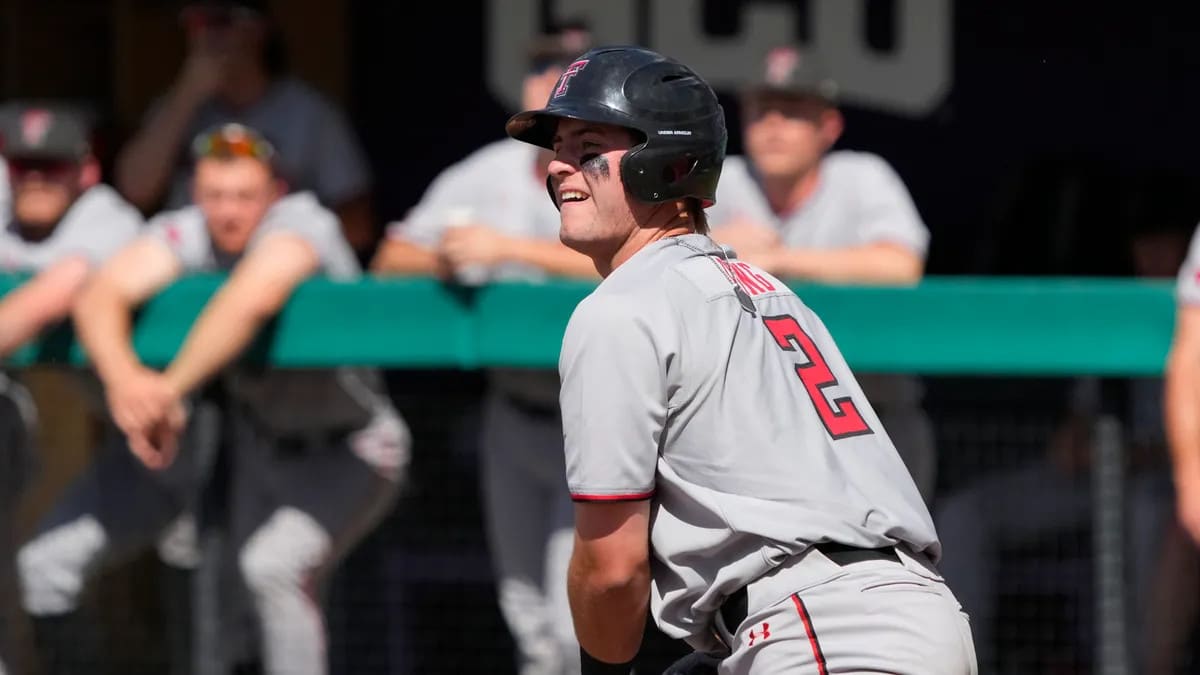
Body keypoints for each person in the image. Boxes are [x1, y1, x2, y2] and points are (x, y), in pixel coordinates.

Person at [503, 45, 976, 674]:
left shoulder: (622, 306)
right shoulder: (768, 289)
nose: (559, 169)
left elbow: (612, 574)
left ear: (667, 160)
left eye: (588, 148)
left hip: (822, 631)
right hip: (905, 619)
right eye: (557, 148)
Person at [18, 123, 410, 675]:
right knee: (230, 615)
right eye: (215, 196)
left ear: (274, 193)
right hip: (258, 449)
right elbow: (102, 292)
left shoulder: (301, 221)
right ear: (197, 194)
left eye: (244, 196)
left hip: (350, 446)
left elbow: (254, 296)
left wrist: (168, 390)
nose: (228, 211)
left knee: (271, 569)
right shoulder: (191, 229)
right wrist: (128, 380)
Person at [370, 25, 594, 675]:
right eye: (540, 69)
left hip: (593, 414)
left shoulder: (612, 167)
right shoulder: (485, 173)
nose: (549, 82)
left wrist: (510, 251)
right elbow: (389, 257)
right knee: (526, 614)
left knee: (567, 615)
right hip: (513, 410)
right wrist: (444, 252)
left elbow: (644, 254)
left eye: (567, 70)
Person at [705, 46, 938, 501]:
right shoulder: (721, 181)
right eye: (761, 111)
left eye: (791, 112)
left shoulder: (862, 177)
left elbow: (901, 267)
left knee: (893, 569)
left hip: (875, 419)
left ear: (827, 127)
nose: (772, 126)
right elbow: (649, 256)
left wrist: (780, 260)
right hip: (759, 430)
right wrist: (715, 244)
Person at [0, 102, 143, 675]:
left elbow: (62, 286)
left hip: (203, 435)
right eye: (25, 164)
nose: (36, 179)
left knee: (219, 601)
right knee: (42, 574)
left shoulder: (108, 219)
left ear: (86, 171)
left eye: (53, 166)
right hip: (133, 451)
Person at [113, 0, 377, 257]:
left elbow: (359, 224)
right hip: (190, 267)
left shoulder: (310, 113)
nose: (207, 34)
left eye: (221, 21)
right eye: (196, 22)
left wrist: (287, 241)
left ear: (258, 28)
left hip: (280, 272)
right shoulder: (174, 106)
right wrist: (189, 91)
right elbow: (134, 191)